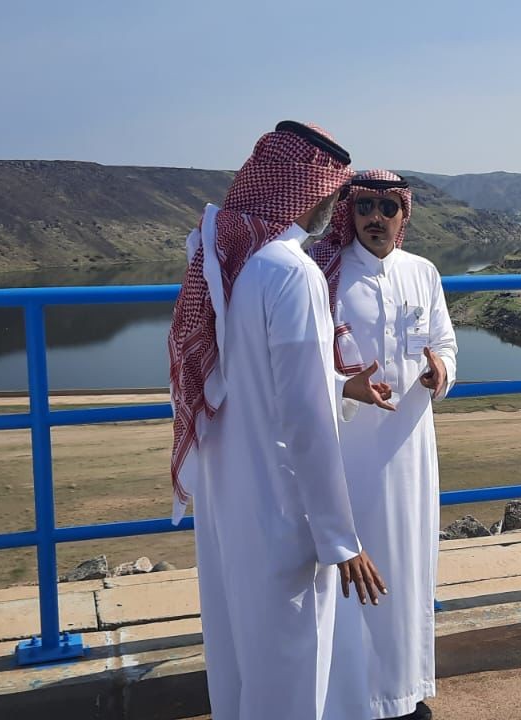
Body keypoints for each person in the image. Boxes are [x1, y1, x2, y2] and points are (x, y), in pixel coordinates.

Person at [166, 121, 391, 718]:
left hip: (229, 500)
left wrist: (341, 384)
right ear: (311, 188)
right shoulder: (290, 271)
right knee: (292, 666)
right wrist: (339, 538)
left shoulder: (233, 262)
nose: (336, 203)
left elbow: (250, 378)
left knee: (240, 661)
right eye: (337, 190)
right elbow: (304, 416)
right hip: (280, 509)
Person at [310, 170, 458, 720]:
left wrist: (440, 371)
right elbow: (300, 368)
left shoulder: (423, 272)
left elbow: (445, 343)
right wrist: (345, 388)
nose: (376, 217)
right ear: (348, 211)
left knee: (409, 569)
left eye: (387, 207)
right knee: (351, 571)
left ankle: (402, 691)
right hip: (349, 453)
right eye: (365, 206)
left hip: (411, 451)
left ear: (403, 214)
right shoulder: (322, 274)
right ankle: (352, 698)